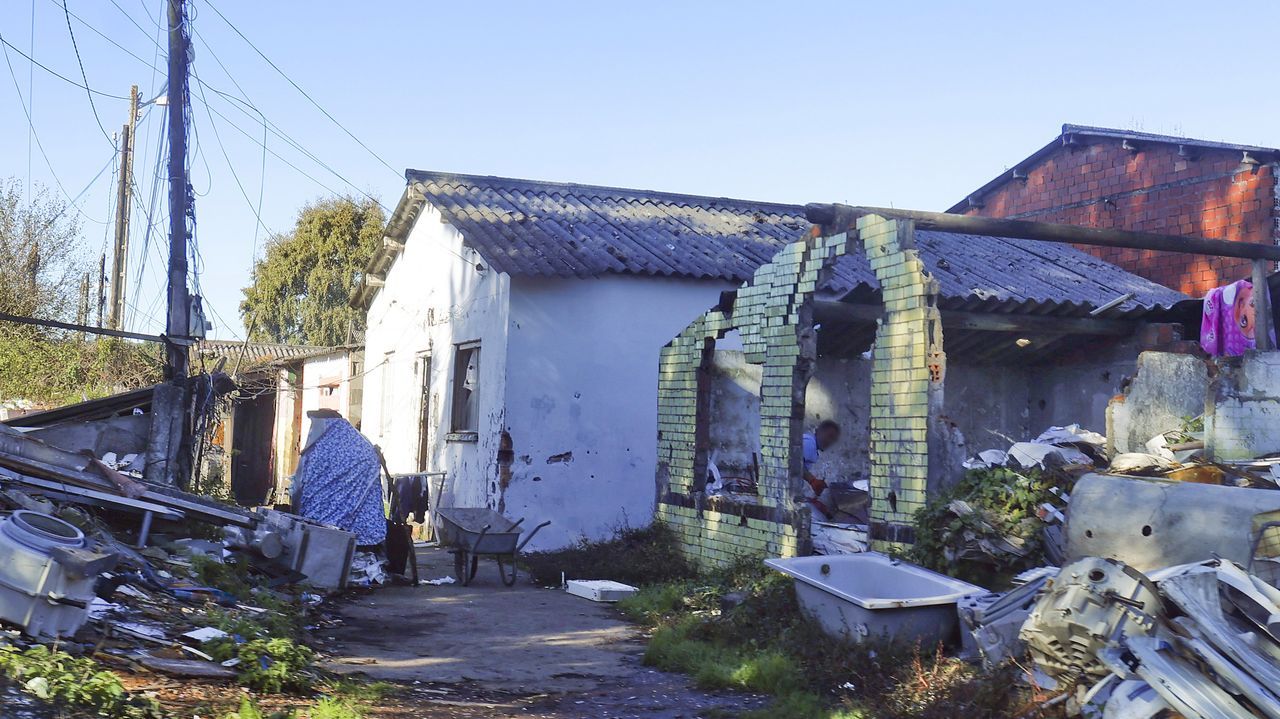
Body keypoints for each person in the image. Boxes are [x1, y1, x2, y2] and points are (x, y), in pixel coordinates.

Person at [801, 420, 841, 519]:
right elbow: (793, 463)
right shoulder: (809, 443)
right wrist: (812, 480)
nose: (830, 442)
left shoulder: (812, 446)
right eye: (829, 436)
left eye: (833, 440)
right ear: (818, 431)